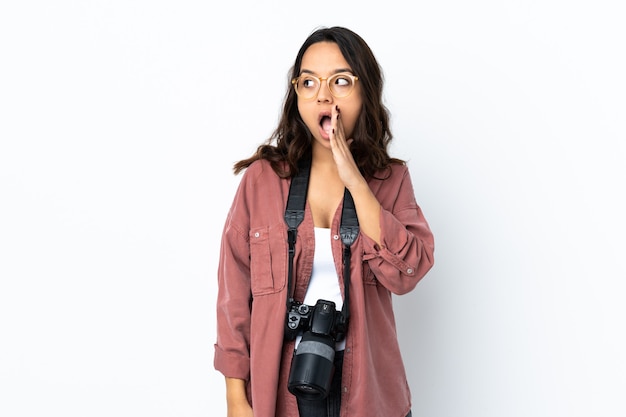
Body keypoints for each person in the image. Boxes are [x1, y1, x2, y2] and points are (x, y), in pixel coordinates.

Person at [214, 26, 435, 417]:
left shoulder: (391, 181)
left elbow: (409, 273)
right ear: (296, 94)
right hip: (279, 388)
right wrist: (236, 395)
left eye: (341, 81)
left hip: (367, 392)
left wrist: (356, 184)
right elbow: (234, 297)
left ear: (365, 91)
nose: (324, 94)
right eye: (309, 82)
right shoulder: (262, 181)